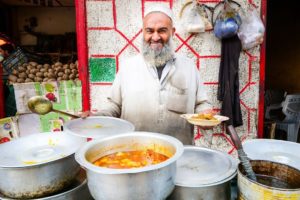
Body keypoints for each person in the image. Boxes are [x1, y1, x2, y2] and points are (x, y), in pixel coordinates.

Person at [82, 4, 212, 144]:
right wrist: (96, 117)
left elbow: (201, 104)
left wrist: (205, 115)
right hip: (135, 155)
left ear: (172, 32)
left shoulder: (189, 67)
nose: (155, 37)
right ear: (142, 32)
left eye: (162, 31)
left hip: (180, 154)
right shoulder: (128, 67)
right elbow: (114, 106)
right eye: (149, 31)